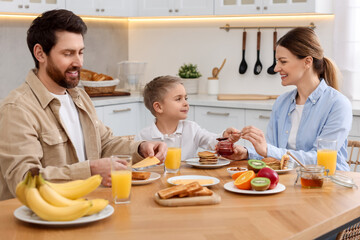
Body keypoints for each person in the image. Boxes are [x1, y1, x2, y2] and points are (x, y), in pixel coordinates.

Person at [0, 9, 167, 201]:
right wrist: (90, 170)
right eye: (68, 53)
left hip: (87, 207)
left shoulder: (79, 96)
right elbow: (23, 180)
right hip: (40, 220)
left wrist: (140, 148)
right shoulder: (17, 108)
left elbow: (104, 144)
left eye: (80, 52)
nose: (78, 62)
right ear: (40, 53)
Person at [228, 27, 352, 171]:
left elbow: (320, 159)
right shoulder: (282, 102)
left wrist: (267, 150)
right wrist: (247, 152)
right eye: (277, 61)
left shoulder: (337, 104)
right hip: (289, 183)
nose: (276, 68)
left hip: (328, 185)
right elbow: (271, 153)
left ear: (307, 62)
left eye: (283, 61)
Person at [136, 75, 240, 160]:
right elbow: (136, 168)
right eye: (178, 99)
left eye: (186, 98)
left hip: (187, 181)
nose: (186, 103)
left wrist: (225, 137)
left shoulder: (192, 129)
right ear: (158, 107)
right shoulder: (143, 137)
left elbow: (212, 141)